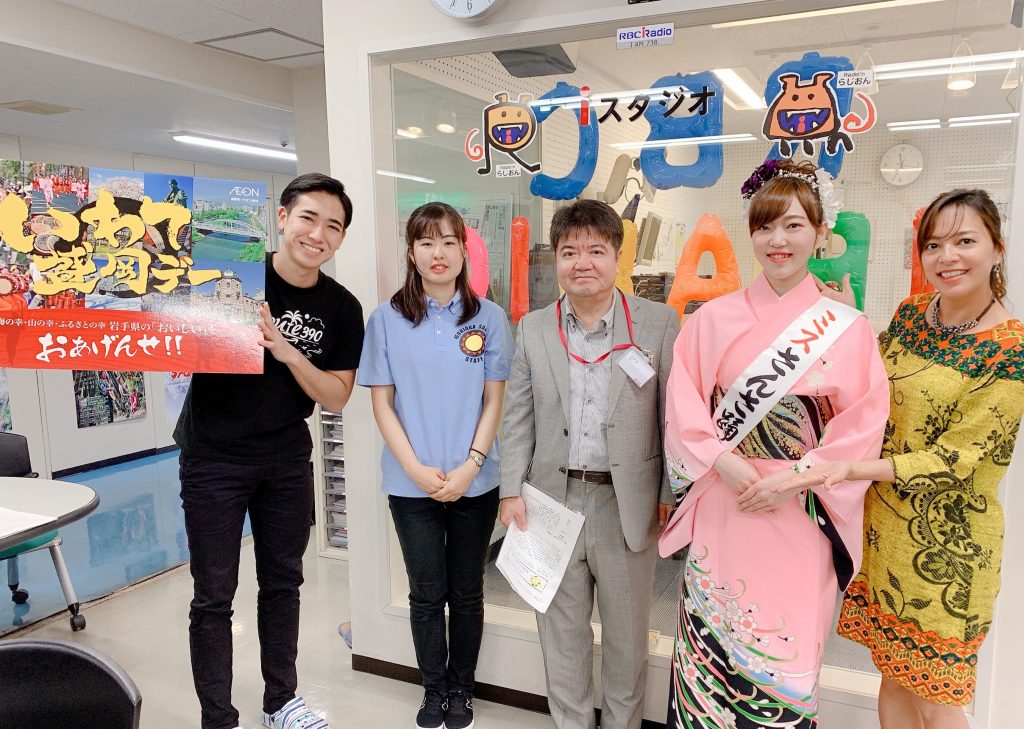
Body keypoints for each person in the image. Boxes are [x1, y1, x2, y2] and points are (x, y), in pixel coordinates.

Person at [658, 160, 890, 728]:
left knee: (786, 635)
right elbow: (683, 401)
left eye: (793, 226)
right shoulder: (712, 318)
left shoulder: (847, 327)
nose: (777, 240)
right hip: (726, 496)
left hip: (802, 504)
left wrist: (798, 477)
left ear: (820, 233)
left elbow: (863, 421)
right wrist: (722, 460)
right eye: (765, 227)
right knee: (715, 625)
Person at [783, 188, 1024, 729]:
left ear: (997, 248)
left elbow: (955, 460)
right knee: (892, 674)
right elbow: (879, 381)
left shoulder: (1011, 348)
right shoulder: (914, 313)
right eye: (933, 244)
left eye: (965, 241)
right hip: (884, 532)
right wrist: (852, 321)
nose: (947, 257)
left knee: (937, 697)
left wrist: (852, 469)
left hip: (949, 550)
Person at [173, 173, 364, 729]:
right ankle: (218, 717)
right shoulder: (229, 273)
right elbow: (168, 330)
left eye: (333, 226)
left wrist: (287, 351)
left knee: (283, 584)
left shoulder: (341, 307)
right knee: (213, 594)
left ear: (341, 237)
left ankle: (281, 701)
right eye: (308, 218)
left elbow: (336, 395)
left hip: (285, 459)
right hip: (212, 457)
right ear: (282, 218)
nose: (318, 234)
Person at [500, 199, 679, 729]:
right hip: (550, 503)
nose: (582, 263)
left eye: (596, 251)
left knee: (627, 637)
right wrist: (510, 490)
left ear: (617, 256)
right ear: (556, 258)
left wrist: (669, 492)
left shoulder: (657, 323)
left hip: (626, 502)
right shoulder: (534, 328)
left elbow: (671, 417)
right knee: (561, 634)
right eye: (570, 251)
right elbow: (518, 417)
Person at [358, 202, 513, 729]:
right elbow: (382, 404)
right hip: (411, 485)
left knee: (467, 593)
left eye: (448, 241)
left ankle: (462, 689)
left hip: (476, 481)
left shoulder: (489, 317)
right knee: (426, 595)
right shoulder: (386, 319)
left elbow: (494, 401)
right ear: (411, 252)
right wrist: (415, 469)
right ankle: (433, 690)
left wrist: (471, 465)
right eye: (426, 242)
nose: (438, 253)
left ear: (464, 250)